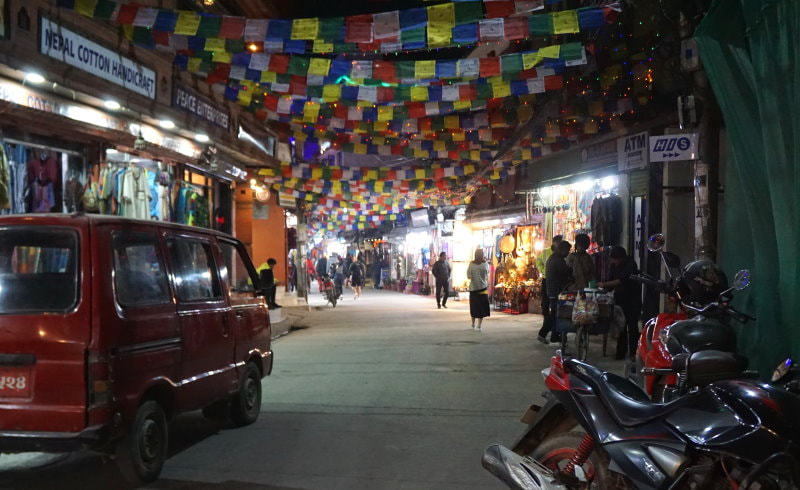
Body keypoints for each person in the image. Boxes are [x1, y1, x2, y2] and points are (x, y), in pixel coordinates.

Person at [598, 246, 642, 360]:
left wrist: (605, 284)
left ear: (621, 258)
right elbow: (612, 278)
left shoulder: (631, 265)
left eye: (614, 259)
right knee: (620, 326)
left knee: (632, 327)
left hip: (632, 300)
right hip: (620, 300)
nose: (613, 262)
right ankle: (621, 352)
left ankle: (634, 353)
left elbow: (620, 281)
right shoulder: (614, 266)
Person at [538, 240, 572, 344]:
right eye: (567, 250)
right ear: (562, 250)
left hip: (552, 290)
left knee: (556, 314)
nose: (568, 253)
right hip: (555, 291)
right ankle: (543, 333)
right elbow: (565, 273)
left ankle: (554, 336)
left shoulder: (553, 258)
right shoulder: (558, 260)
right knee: (555, 314)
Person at [467, 249, 490, 331]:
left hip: (473, 289)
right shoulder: (485, 264)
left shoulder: (471, 264)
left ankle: (473, 324)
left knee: (473, 307)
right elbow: (487, 274)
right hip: (482, 288)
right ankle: (479, 326)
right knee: (481, 307)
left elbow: (468, 276)